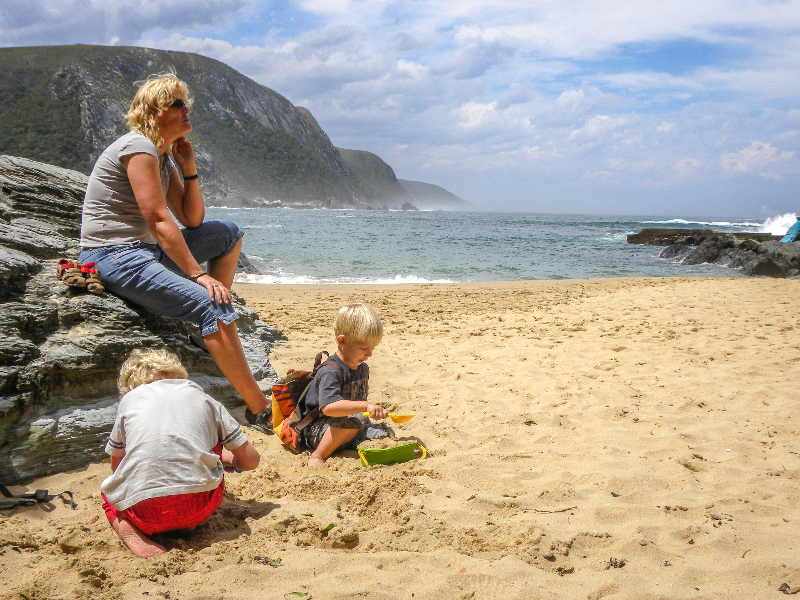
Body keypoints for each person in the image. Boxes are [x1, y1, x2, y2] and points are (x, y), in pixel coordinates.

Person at [78, 72, 271, 431]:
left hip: (144, 252)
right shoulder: (138, 147)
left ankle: (205, 334)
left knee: (229, 234)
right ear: (154, 114)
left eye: (186, 104)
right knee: (211, 302)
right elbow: (157, 218)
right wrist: (198, 276)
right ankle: (260, 409)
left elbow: (192, 219)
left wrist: (189, 168)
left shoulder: (163, 157)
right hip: (112, 254)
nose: (187, 110)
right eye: (177, 104)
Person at [100, 348, 260, 558]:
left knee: (108, 495)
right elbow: (251, 461)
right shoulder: (202, 397)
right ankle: (185, 525)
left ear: (130, 386)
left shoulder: (129, 402)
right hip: (199, 506)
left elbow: (117, 469)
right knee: (207, 442)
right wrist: (228, 460)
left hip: (145, 513)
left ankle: (130, 532)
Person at [302, 303, 393, 466]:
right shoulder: (331, 371)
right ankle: (318, 456)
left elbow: (358, 403)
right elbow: (328, 407)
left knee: (386, 432)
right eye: (364, 347)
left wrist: (370, 413)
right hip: (319, 430)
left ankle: (350, 440)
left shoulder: (362, 368)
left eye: (373, 348)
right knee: (355, 419)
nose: (369, 353)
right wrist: (365, 406)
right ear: (343, 341)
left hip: (352, 426)